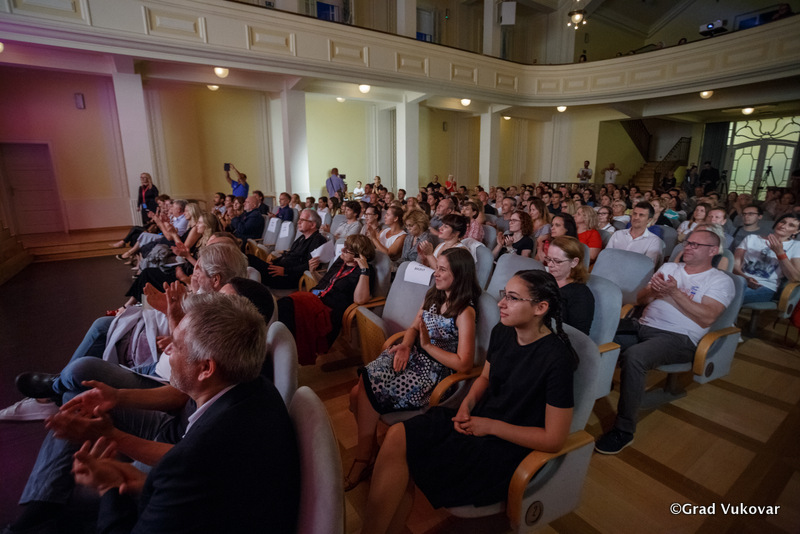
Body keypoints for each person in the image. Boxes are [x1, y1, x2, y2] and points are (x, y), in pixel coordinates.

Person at [361, 269, 576, 533]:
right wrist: (466, 405)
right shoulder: (503, 331)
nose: (501, 303)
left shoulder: (557, 360)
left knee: (411, 452)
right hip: (479, 420)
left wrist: (490, 427)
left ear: (540, 308)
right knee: (397, 435)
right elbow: (485, 378)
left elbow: (554, 439)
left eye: (512, 298)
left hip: (507, 444)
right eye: (504, 295)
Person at [68, 292, 300, 533]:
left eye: (177, 346)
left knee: (77, 501)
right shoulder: (260, 389)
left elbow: (195, 474)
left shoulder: (189, 462)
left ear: (206, 368)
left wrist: (109, 487)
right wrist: (147, 483)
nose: (168, 352)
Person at [346, 248, 480, 492]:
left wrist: (427, 346)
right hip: (417, 357)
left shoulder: (464, 311)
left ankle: (363, 458)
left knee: (359, 393)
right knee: (363, 383)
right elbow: (414, 327)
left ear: (459, 274)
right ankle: (368, 452)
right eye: (436, 268)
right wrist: (406, 345)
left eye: (442, 269)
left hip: (436, 373)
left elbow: (464, 363)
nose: (435, 273)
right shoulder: (434, 295)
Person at [595, 227, 735, 454]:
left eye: (695, 244)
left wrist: (675, 293)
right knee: (596, 331)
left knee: (635, 357)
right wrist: (653, 293)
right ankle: (590, 388)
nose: (688, 247)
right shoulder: (670, 267)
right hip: (643, 325)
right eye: (688, 242)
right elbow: (640, 299)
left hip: (679, 338)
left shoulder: (719, 280)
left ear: (713, 251)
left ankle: (624, 430)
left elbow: (708, 316)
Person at [277, 234, 374, 363]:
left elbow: (360, 300)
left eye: (347, 250)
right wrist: (313, 272)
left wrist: (364, 271)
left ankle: (281, 352)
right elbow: (325, 283)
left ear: (359, 255)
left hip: (328, 308)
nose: (342, 250)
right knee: (284, 307)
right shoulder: (340, 261)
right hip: (314, 298)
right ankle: (280, 348)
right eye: (344, 246)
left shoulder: (365, 272)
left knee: (286, 310)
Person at [248, 209, 327, 289]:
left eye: (302, 220)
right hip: (280, 269)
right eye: (299, 219)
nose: (298, 222)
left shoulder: (318, 240)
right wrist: (274, 262)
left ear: (313, 225)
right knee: (249, 259)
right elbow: (290, 254)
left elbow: (309, 266)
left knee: (250, 264)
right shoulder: (302, 237)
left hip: (289, 277)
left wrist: (285, 271)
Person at [733, 213, 800, 305]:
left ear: (796, 231)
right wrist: (746, 278)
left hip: (765, 287)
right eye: (782, 222)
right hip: (740, 280)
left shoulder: (796, 246)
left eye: (791, 225)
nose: (783, 226)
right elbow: (735, 265)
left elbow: (796, 278)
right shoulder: (751, 238)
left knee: (730, 296)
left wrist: (780, 253)